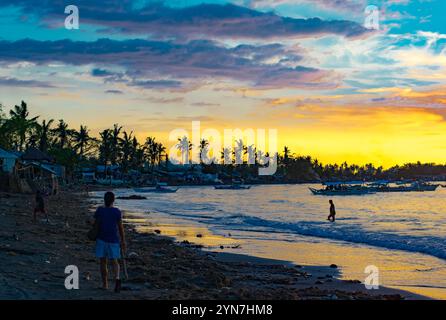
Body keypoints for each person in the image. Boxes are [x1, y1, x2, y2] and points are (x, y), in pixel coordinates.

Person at [94, 191, 126, 292]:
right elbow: (120, 228)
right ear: (113, 200)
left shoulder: (100, 210)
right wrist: (123, 240)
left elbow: (95, 224)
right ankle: (117, 279)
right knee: (115, 261)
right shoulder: (117, 212)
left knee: (103, 262)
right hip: (113, 239)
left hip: (101, 238)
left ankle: (105, 284)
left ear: (104, 200)